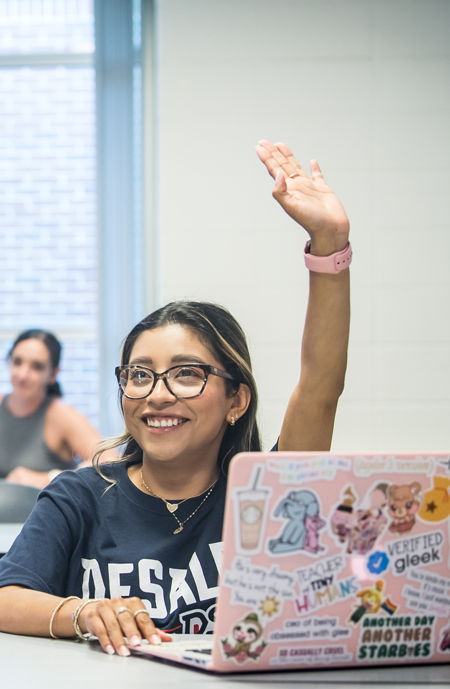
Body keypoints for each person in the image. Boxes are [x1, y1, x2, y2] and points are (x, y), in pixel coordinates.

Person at [0, 140, 351, 656]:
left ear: (237, 399)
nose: (156, 396)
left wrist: (329, 242)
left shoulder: (265, 495)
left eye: (186, 375)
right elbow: (8, 596)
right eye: (139, 375)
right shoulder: (80, 496)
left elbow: (321, 387)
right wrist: (82, 612)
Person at [0, 329, 107, 488]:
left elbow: (108, 461)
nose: (23, 375)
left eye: (37, 367)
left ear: (53, 374)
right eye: (17, 362)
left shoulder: (61, 415)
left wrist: (49, 478)